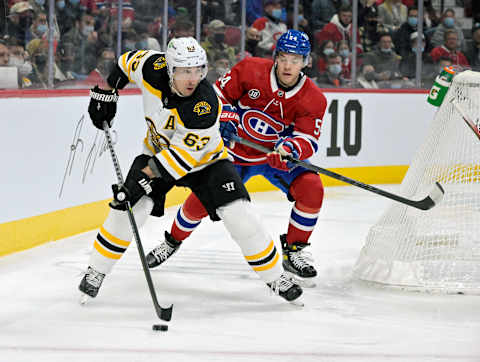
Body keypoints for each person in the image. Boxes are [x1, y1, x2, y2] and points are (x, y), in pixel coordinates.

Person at [78, 37, 303, 304]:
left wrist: (138, 182)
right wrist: (107, 93)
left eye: (198, 71)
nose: (192, 79)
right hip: (157, 152)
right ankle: (96, 271)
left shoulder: (204, 105)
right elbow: (124, 63)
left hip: (206, 162)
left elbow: (180, 160)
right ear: (169, 68)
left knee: (240, 215)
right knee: (129, 210)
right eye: (185, 71)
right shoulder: (151, 66)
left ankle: (276, 277)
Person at [146, 30, 327, 287]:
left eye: (296, 60)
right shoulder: (250, 69)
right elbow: (217, 93)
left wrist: (290, 150)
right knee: (199, 201)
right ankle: (171, 241)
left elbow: (308, 139)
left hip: (272, 159)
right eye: (284, 58)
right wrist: (226, 116)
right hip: (233, 155)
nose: (288, 65)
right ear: (275, 57)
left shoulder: (314, 98)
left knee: (312, 188)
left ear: (306, 62)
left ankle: (294, 250)